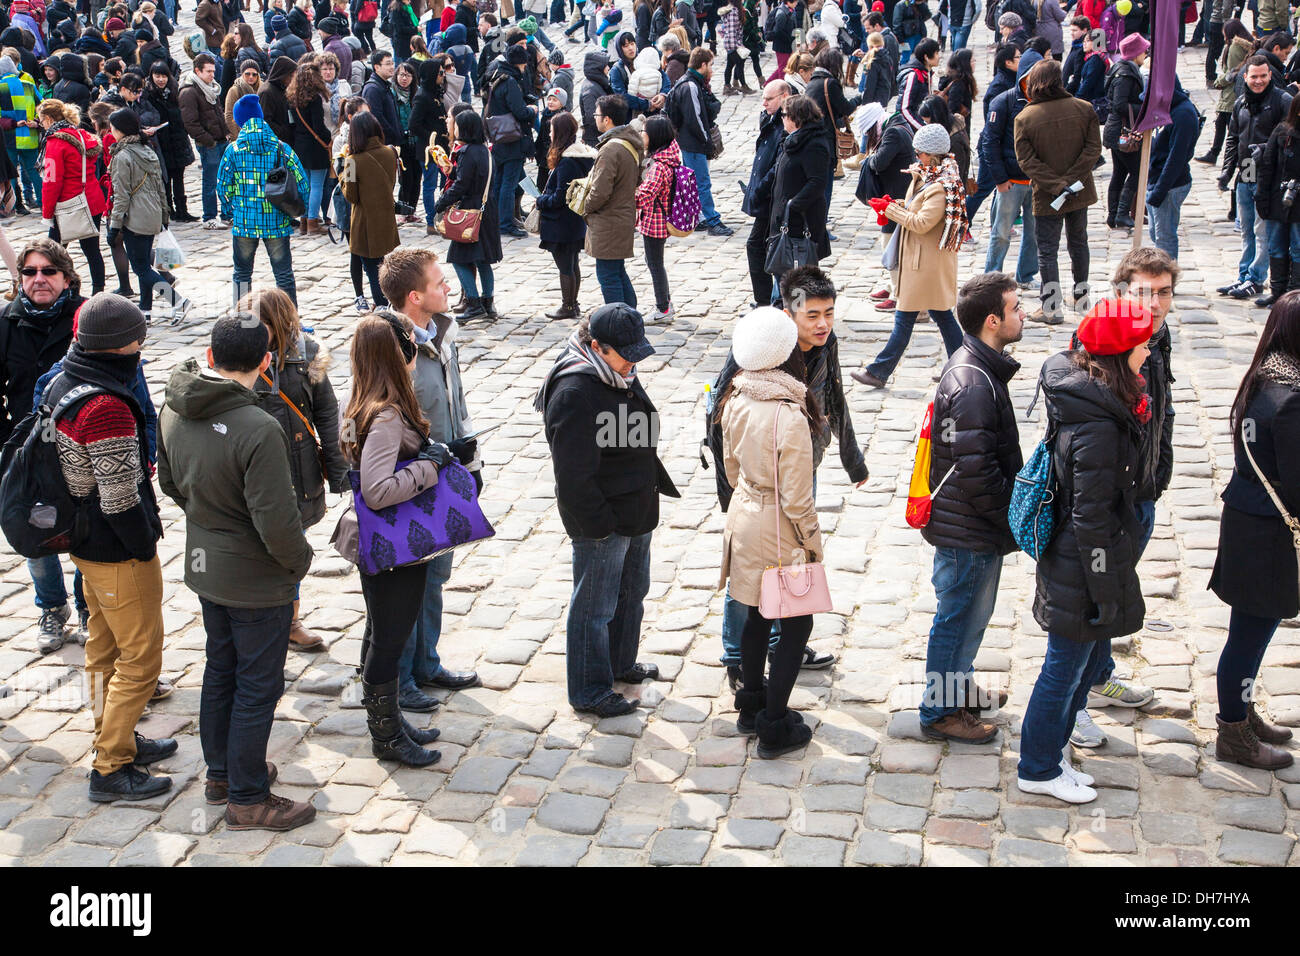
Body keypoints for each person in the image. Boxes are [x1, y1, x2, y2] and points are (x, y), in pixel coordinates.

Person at [156, 316, 317, 830]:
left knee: (220, 670)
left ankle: (223, 772)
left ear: (209, 355)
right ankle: (248, 797)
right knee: (257, 685)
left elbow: (170, 483)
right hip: (255, 578)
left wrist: (209, 517)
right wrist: (299, 563)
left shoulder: (173, 408)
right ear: (266, 362)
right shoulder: (258, 428)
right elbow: (276, 519)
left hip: (206, 565)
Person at [1018, 298, 1151, 804]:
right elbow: (1090, 517)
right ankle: (1037, 766)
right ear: (1120, 355)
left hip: (1086, 560)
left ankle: (1052, 756)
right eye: (1142, 345)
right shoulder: (1098, 426)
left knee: (1077, 664)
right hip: (1082, 564)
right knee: (1064, 667)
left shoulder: (1095, 396)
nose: (1148, 352)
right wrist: (1104, 587)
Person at [707, 266, 864, 687]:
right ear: (788, 313)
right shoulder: (759, 348)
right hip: (756, 486)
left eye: (829, 313)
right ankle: (737, 659)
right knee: (749, 574)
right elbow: (718, 417)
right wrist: (731, 492)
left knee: (788, 562)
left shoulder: (825, 344)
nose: (823, 324)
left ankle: (780, 642)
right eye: (812, 315)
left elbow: (835, 397)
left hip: (800, 466)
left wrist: (855, 461)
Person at [50, 292, 172, 802]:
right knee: (141, 657)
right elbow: (120, 499)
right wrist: (144, 550)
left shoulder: (65, 378)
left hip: (84, 545)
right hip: (115, 550)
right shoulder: (105, 406)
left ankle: (114, 735)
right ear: (125, 345)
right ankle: (110, 767)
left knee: (102, 648)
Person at [536, 304, 679, 716]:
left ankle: (619, 663)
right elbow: (574, 476)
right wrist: (599, 527)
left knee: (632, 593)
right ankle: (589, 689)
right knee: (594, 607)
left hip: (635, 507)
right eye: (626, 353)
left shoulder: (616, 373)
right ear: (596, 347)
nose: (634, 361)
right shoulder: (576, 392)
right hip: (604, 521)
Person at [331, 314, 449, 767]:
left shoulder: (359, 400)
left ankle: (392, 721)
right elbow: (377, 490)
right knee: (389, 639)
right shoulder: (385, 416)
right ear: (400, 355)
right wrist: (431, 465)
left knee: (384, 632)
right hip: (394, 540)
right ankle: (386, 737)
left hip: (386, 540)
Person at [919, 272, 1024, 742]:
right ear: (991, 321)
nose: (1024, 314)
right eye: (1016, 308)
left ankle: (957, 688)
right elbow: (976, 470)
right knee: (957, 618)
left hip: (972, 524)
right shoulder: (974, 383)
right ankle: (940, 712)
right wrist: (1011, 515)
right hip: (970, 527)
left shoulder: (981, 367)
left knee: (970, 617)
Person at [713, 306, 820, 757]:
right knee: (797, 623)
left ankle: (751, 703)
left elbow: (731, 469)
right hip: (779, 526)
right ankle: (774, 723)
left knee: (757, 612)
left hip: (745, 516)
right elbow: (797, 498)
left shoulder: (734, 399)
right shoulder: (789, 416)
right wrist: (812, 543)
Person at [379, 249, 483, 709]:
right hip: (410, 481)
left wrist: (469, 465)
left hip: (445, 473)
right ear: (415, 296)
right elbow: (379, 425)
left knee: (436, 574)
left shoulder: (443, 333)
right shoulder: (387, 346)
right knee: (403, 586)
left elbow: (455, 403)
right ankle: (396, 680)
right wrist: (429, 460)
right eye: (441, 284)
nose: (449, 289)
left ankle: (426, 663)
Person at [1209, 292, 1300, 771]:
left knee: (1249, 633)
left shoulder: (1266, 379)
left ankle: (1239, 712)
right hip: (1267, 532)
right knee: (1248, 636)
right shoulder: (1290, 400)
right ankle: (1233, 731)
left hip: (1251, 518)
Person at [241, 289, 348, 651]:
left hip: (297, 472)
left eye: (262, 326)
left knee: (289, 551)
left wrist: (340, 472)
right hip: (252, 473)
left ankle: (290, 620)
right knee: (252, 551)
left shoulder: (309, 356)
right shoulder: (237, 353)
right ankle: (256, 623)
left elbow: (328, 414)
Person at [0, 240, 85, 650]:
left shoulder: (86, 317)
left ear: (66, 278)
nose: (39, 280)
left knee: (88, 530)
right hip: (28, 451)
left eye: (48, 272)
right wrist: (7, 443)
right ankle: (52, 607)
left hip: (80, 446)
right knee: (33, 532)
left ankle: (87, 607)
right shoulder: (7, 322)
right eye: (30, 272)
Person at [853, 123, 966, 388]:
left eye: (920, 153)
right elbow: (917, 208)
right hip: (923, 261)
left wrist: (892, 210)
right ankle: (961, 367)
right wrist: (897, 203)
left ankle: (878, 372)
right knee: (944, 318)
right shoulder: (932, 176)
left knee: (904, 319)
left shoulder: (941, 185)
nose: (917, 157)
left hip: (925, 265)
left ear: (932, 154)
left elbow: (922, 222)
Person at [1013, 57, 1100, 325]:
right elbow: (1092, 151)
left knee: (1048, 250)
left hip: (1047, 194)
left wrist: (1056, 184)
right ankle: (1081, 295)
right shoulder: (1084, 109)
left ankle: (1051, 307)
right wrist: (1072, 180)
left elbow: (1027, 161)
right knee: (1079, 242)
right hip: (1079, 190)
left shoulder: (1025, 118)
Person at [218, 94, 308, 307]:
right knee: (284, 275)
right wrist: (293, 209)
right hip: (276, 222)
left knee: (241, 273)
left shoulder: (234, 150)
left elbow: (223, 187)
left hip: (244, 223)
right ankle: (290, 320)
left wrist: (233, 210)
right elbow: (302, 183)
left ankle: (241, 319)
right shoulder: (281, 148)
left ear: (240, 122)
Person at [105, 108, 191, 322]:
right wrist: (164, 215)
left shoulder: (122, 156)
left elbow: (121, 195)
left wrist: (114, 227)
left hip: (135, 217)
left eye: (113, 127)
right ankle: (145, 311)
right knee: (144, 263)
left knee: (141, 268)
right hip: (152, 214)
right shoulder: (147, 149)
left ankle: (178, 301)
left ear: (120, 130)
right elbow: (161, 186)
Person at [1219, 56, 1293, 303]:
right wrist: (1227, 171)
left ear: (1270, 75)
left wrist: (1263, 149)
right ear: (1246, 77)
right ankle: (1244, 274)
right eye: (1254, 76)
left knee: (1262, 231)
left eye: (1263, 76)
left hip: (1269, 174)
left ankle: (1256, 277)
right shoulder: (1241, 103)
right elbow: (1233, 138)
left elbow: (1290, 137)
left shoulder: (1283, 101)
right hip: (1246, 169)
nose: (1259, 80)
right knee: (1246, 228)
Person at [433, 110, 503, 320]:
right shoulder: (484, 151)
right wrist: (447, 166)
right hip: (488, 210)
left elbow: (461, 185)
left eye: (456, 126)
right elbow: (469, 175)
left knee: (458, 259)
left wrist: (441, 203)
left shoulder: (467, 152)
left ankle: (473, 303)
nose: (453, 128)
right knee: (483, 261)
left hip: (472, 212)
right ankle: (488, 304)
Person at [37, 100, 107, 296]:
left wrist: (47, 213)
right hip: (91, 200)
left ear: (49, 119)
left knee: (54, 253)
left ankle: (58, 290)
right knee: (93, 251)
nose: (41, 123)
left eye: (42, 119)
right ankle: (98, 291)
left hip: (68, 203)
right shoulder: (83, 135)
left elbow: (52, 182)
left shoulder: (55, 142)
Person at [766, 93, 831, 298]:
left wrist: (793, 206)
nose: (781, 118)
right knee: (783, 273)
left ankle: (798, 318)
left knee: (798, 280)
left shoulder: (814, 144)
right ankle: (783, 312)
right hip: (783, 219)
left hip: (800, 222)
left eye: (784, 114)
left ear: (796, 117)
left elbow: (818, 182)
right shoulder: (792, 140)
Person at [981, 53, 1037, 289]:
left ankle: (1025, 275)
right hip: (1011, 181)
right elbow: (989, 142)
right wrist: (1000, 179)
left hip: (1036, 180)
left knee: (1034, 234)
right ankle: (992, 278)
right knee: (1001, 233)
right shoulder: (1003, 101)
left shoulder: (1043, 102)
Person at [583, 94, 644, 306]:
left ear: (607, 119)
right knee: (617, 272)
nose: (595, 118)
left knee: (608, 276)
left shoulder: (610, 149)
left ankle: (618, 321)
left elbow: (600, 191)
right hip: (622, 215)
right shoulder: (628, 143)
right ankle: (630, 316)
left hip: (609, 220)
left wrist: (585, 206)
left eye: (597, 114)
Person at [664, 48, 732, 237]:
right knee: (701, 182)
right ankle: (712, 220)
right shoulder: (690, 86)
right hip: (693, 142)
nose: (711, 69)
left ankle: (697, 217)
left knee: (693, 182)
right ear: (702, 65)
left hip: (688, 141)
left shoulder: (689, 82)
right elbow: (695, 119)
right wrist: (706, 141)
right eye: (710, 65)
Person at [536, 110, 595, 320]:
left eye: (552, 130)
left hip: (561, 223)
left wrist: (540, 200)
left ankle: (568, 306)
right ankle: (573, 303)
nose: (549, 133)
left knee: (565, 266)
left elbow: (560, 197)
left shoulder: (567, 161)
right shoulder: (582, 157)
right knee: (572, 263)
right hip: (574, 221)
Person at [340, 111, 399, 311]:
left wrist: (342, 177)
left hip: (364, 224)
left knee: (373, 271)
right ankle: (388, 302)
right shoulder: (390, 152)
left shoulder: (352, 161)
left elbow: (351, 197)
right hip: (386, 220)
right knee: (385, 266)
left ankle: (382, 306)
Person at [742, 80, 789, 308]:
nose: (764, 103)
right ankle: (767, 299)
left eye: (769, 99)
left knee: (762, 247)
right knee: (761, 246)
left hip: (773, 198)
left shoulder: (786, 121)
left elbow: (778, 163)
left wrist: (760, 190)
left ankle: (768, 301)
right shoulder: (770, 118)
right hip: (765, 195)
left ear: (784, 96)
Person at [485, 43, 537, 238]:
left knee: (500, 182)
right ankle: (505, 223)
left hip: (500, 138)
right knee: (509, 183)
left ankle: (498, 220)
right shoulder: (510, 82)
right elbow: (520, 112)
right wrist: (531, 110)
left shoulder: (497, 78)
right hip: (512, 138)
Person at [633, 114, 682, 323]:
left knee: (655, 264)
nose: (642, 135)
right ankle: (665, 303)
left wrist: (624, 196)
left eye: (644, 132)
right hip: (659, 218)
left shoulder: (659, 165)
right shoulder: (670, 156)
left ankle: (663, 308)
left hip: (655, 221)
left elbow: (646, 194)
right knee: (654, 262)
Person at [1145, 80, 1197, 263]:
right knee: (1155, 233)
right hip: (1155, 181)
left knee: (1164, 237)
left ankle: (1166, 282)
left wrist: (1160, 191)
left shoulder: (1183, 115)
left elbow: (1176, 158)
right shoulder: (1164, 109)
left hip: (1169, 185)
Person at [180, 53, 230, 231]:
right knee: (210, 182)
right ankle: (209, 216)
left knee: (225, 180)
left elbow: (217, 113)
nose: (212, 75)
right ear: (197, 71)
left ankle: (227, 213)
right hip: (209, 144)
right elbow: (190, 123)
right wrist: (209, 141)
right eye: (208, 71)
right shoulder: (189, 92)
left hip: (221, 139)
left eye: (213, 71)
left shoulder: (211, 88)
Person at [1102, 33, 1146, 231]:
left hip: (1117, 130)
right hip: (1122, 132)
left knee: (1120, 173)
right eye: (1143, 51)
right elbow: (1120, 105)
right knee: (1136, 172)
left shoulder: (1123, 69)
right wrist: (1145, 109)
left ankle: (1114, 216)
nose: (1145, 54)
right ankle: (1120, 213)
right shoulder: (1125, 75)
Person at [145, 62, 196, 224]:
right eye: (157, 76)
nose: (161, 80)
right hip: (161, 143)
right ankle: (168, 209)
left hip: (177, 141)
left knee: (179, 178)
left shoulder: (174, 92)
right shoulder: (149, 96)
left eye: (164, 76)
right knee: (165, 180)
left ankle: (182, 210)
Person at [287, 61, 333, 236]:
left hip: (300, 144)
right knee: (316, 185)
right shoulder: (314, 99)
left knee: (304, 185)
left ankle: (304, 221)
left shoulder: (292, 98)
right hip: (315, 147)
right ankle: (313, 221)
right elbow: (318, 126)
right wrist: (328, 138)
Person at [1198, 18, 1252, 166]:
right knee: (1222, 123)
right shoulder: (1244, 44)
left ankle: (1236, 160)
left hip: (1231, 93)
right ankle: (1215, 154)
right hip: (1233, 93)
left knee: (1232, 130)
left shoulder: (1235, 47)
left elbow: (1232, 72)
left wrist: (1218, 82)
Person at [0, 55, 43, 215]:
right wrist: (37, 122)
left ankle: (14, 205)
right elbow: (43, 106)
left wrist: (12, 123)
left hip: (9, 137)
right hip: (29, 134)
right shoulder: (28, 85)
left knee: (10, 172)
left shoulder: (0, 86)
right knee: (34, 170)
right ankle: (43, 202)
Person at [363, 50, 402, 147]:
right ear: (377, 67)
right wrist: (393, 133)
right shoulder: (372, 89)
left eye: (392, 63)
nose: (392, 67)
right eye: (388, 64)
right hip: (385, 144)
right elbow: (376, 118)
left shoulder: (384, 85)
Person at [259, 56, 298, 145]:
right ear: (283, 75)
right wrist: (285, 132)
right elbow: (265, 121)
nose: (293, 80)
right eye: (291, 76)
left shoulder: (283, 88)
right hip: (277, 142)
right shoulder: (267, 92)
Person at [224, 59, 263, 138]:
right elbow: (229, 115)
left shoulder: (261, 89)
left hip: (258, 134)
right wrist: (236, 137)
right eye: (247, 74)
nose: (251, 77)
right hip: (241, 134)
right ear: (242, 74)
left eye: (254, 74)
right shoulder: (234, 90)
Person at [767, 0, 797, 82]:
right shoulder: (782, 13)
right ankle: (781, 87)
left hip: (787, 44)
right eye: (795, 1)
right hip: (782, 45)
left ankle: (767, 84)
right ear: (789, 2)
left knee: (785, 66)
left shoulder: (789, 10)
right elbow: (778, 31)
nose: (796, 3)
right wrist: (789, 39)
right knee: (783, 68)